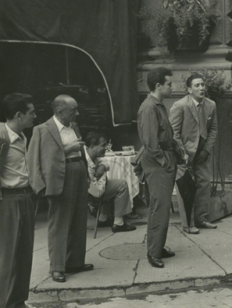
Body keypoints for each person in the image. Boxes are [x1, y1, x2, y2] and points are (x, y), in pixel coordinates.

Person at [27, 95, 92, 282]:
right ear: (59, 111)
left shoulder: (74, 126)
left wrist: (87, 174)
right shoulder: (41, 130)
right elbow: (33, 160)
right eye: (74, 110)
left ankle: (75, 262)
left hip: (78, 173)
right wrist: (39, 186)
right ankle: (57, 267)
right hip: (59, 178)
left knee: (79, 219)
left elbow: (81, 152)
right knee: (59, 223)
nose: (77, 113)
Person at [137, 67, 178, 268]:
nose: (172, 87)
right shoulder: (149, 108)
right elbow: (151, 142)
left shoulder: (157, 105)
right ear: (158, 86)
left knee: (162, 208)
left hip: (163, 160)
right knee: (159, 208)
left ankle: (158, 246)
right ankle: (153, 252)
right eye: (169, 84)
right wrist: (165, 161)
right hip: (157, 162)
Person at [0, 93, 36, 308]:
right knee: (8, 256)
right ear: (18, 115)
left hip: (24, 198)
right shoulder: (2, 137)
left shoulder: (21, 136)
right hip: (8, 201)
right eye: (31, 113)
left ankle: (17, 301)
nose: (35, 116)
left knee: (23, 254)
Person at [170, 73, 219, 234]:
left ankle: (202, 218)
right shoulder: (180, 106)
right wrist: (182, 153)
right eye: (197, 85)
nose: (201, 88)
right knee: (186, 189)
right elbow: (174, 133)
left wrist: (206, 149)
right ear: (189, 89)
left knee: (204, 184)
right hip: (184, 154)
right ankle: (188, 224)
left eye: (203, 85)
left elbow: (213, 129)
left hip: (202, 152)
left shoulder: (211, 105)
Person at [84, 131, 136, 233]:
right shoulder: (86, 162)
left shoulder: (90, 154)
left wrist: (102, 166)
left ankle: (103, 218)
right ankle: (118, 223)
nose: (106, 148)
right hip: (88, 196)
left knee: (110, 184)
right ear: (92, 146)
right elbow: (97, 193)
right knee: (122, 185)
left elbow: (105, 162)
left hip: (92, 189)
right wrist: (102, 174)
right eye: (103, 145)